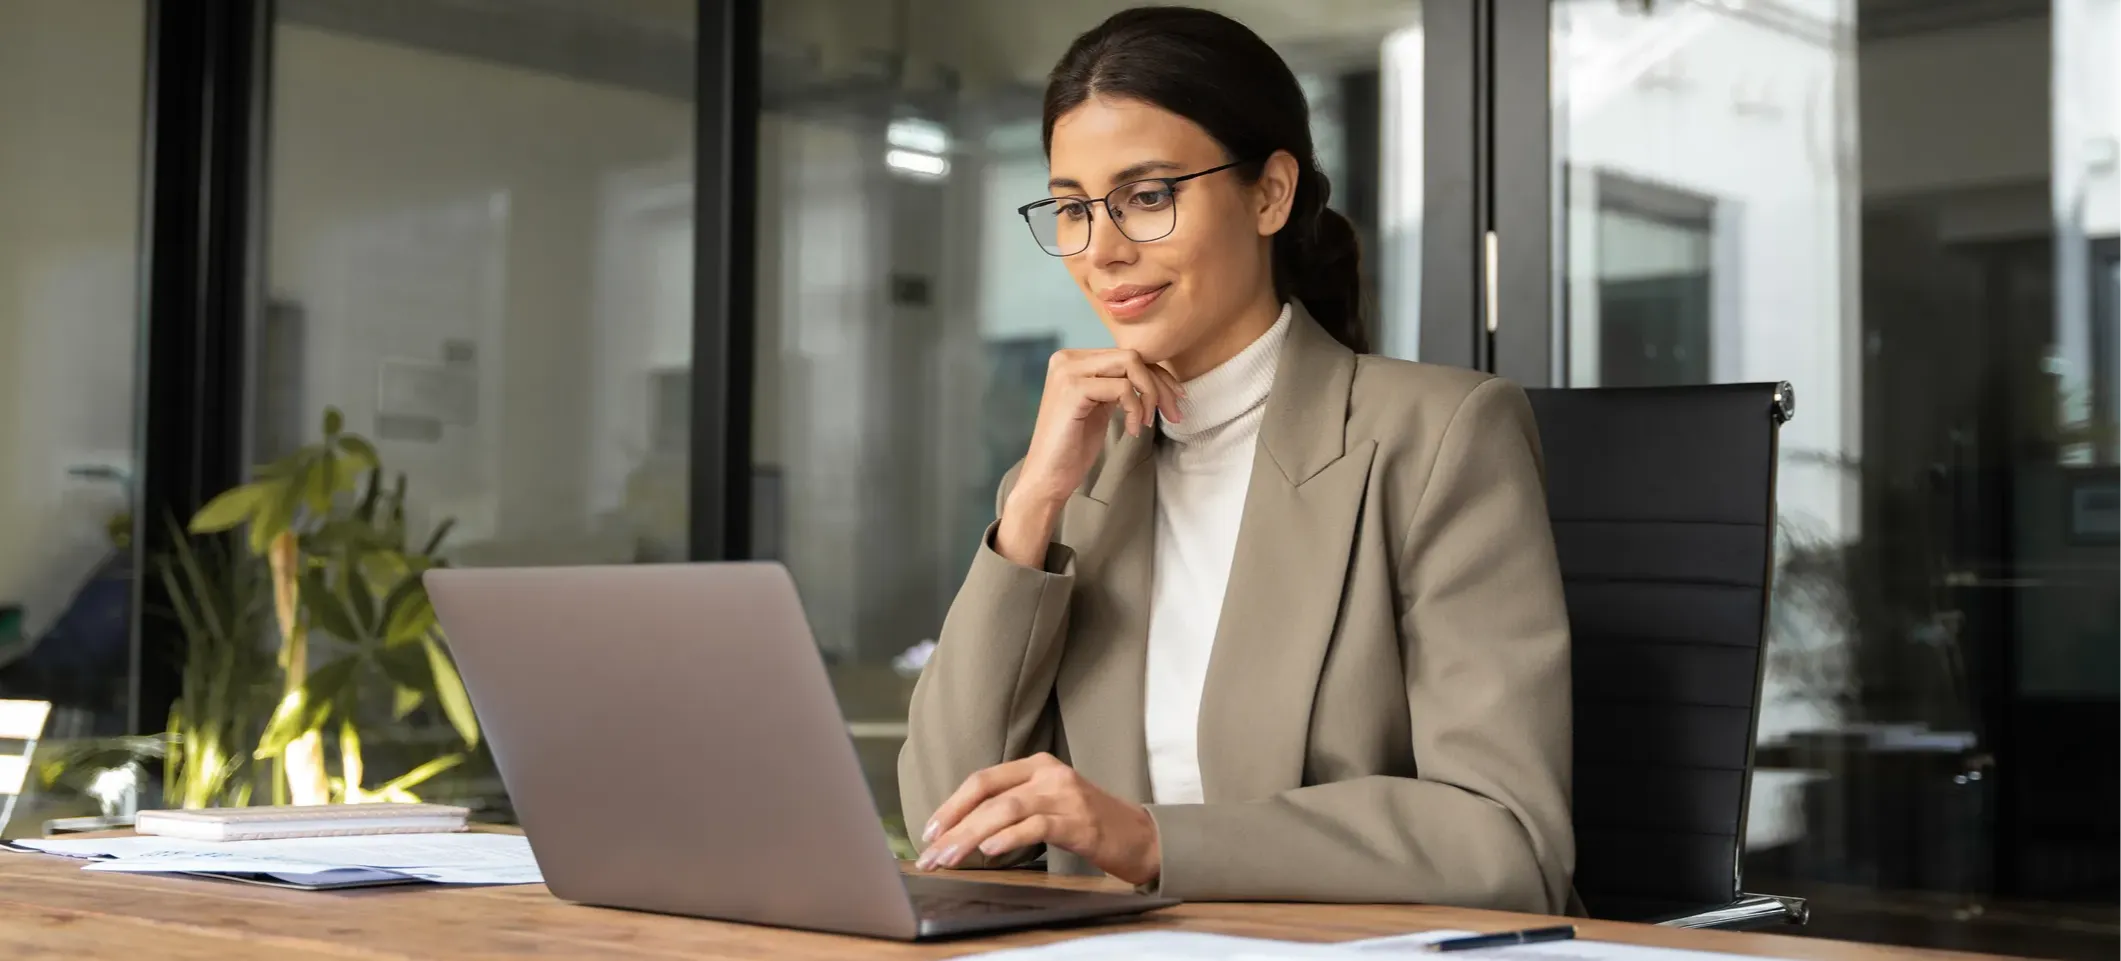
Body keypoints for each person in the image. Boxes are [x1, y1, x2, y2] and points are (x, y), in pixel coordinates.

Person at [898, 6, 1576, 914]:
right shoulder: (1073, 478)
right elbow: (949, 825)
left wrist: (1147, 838)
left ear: (1269, 194)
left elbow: (1509, 840)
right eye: (1070, 208)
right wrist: (1034, 504)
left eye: (1147, 196)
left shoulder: (1441, 435)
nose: (1102, 250)